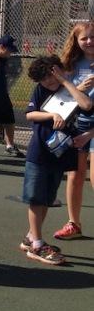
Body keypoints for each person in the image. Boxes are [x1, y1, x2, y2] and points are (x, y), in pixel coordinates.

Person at [20, 56, 92, 265]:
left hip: (59, 153)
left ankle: (31, 237)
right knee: (36, 198)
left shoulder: (71, 89)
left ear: (59, 71)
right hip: (40, 152)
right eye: (45, 82)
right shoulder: (41, 91)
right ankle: (37, 244)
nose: (49, 85)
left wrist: (66, 82)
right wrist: (51, 115)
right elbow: (30, 115)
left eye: (52, 80)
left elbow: (86, 104)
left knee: (47, 198)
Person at [53, 21, 94, 241]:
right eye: (84, 38)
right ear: (76, 41)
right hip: (77, 124)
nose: (89, 42)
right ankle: (73, 223)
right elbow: (62, 97)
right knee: (74, 176)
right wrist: (80, 89)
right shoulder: (70, 64)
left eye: (93, 37)